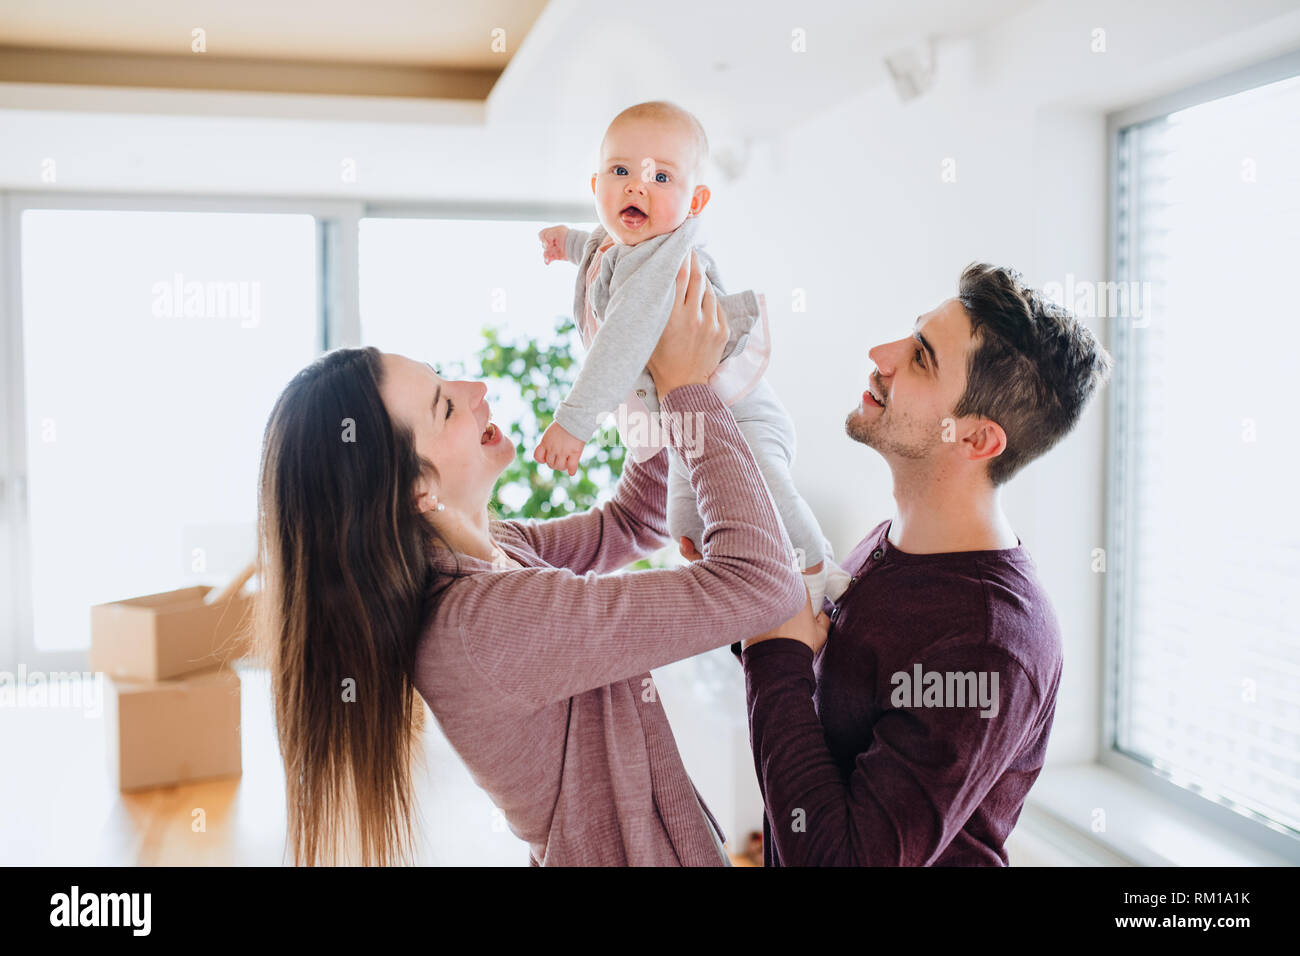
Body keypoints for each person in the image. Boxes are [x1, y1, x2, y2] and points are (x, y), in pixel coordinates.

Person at [254, 251, 810, 866]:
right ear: (418, 492)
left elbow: (629, 525)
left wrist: (642, 370)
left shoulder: (490, 554)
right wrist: (688, 391)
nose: (476, 390)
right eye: (444, 405)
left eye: (447, 377)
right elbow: (762, 583)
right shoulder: (486, 625)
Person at [686, 263, 1113, 865]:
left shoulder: (989, 643)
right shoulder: (897, 544)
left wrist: (771, 651)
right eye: (910, 337)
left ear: (976, 440)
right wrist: (751, 593)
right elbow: (821, 702)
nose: (880, 354)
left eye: (921, 359)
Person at [536, 99, 850, 609]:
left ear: (695, 201)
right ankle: (739, 586)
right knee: (686, 526)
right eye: (621, 171)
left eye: (661, 177)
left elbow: (620, 341)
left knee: (771, 493)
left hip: (741, 418)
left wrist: (575, 422)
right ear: (596, 187)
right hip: (690, 425)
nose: (637, 185)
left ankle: (821, 575)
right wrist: (568, 243)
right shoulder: (627, 243)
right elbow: (601, 246)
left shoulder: (663, 262)